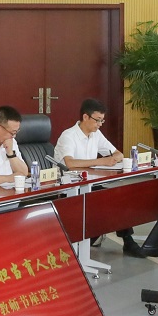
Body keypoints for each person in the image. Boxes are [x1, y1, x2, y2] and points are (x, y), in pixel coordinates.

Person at [54, 99, 142, 255]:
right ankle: (95, 235)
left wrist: (114, 158)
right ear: (85, 117)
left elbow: (118, 153)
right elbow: (70, 163)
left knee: (117, 197)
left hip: (89, 184)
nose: (100, 124)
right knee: (107, 200)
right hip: (69, 187)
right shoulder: (68, 136)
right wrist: (101, 161)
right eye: (98, 120)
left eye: (102, 120)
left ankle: (127, 241)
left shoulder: (96, 134)